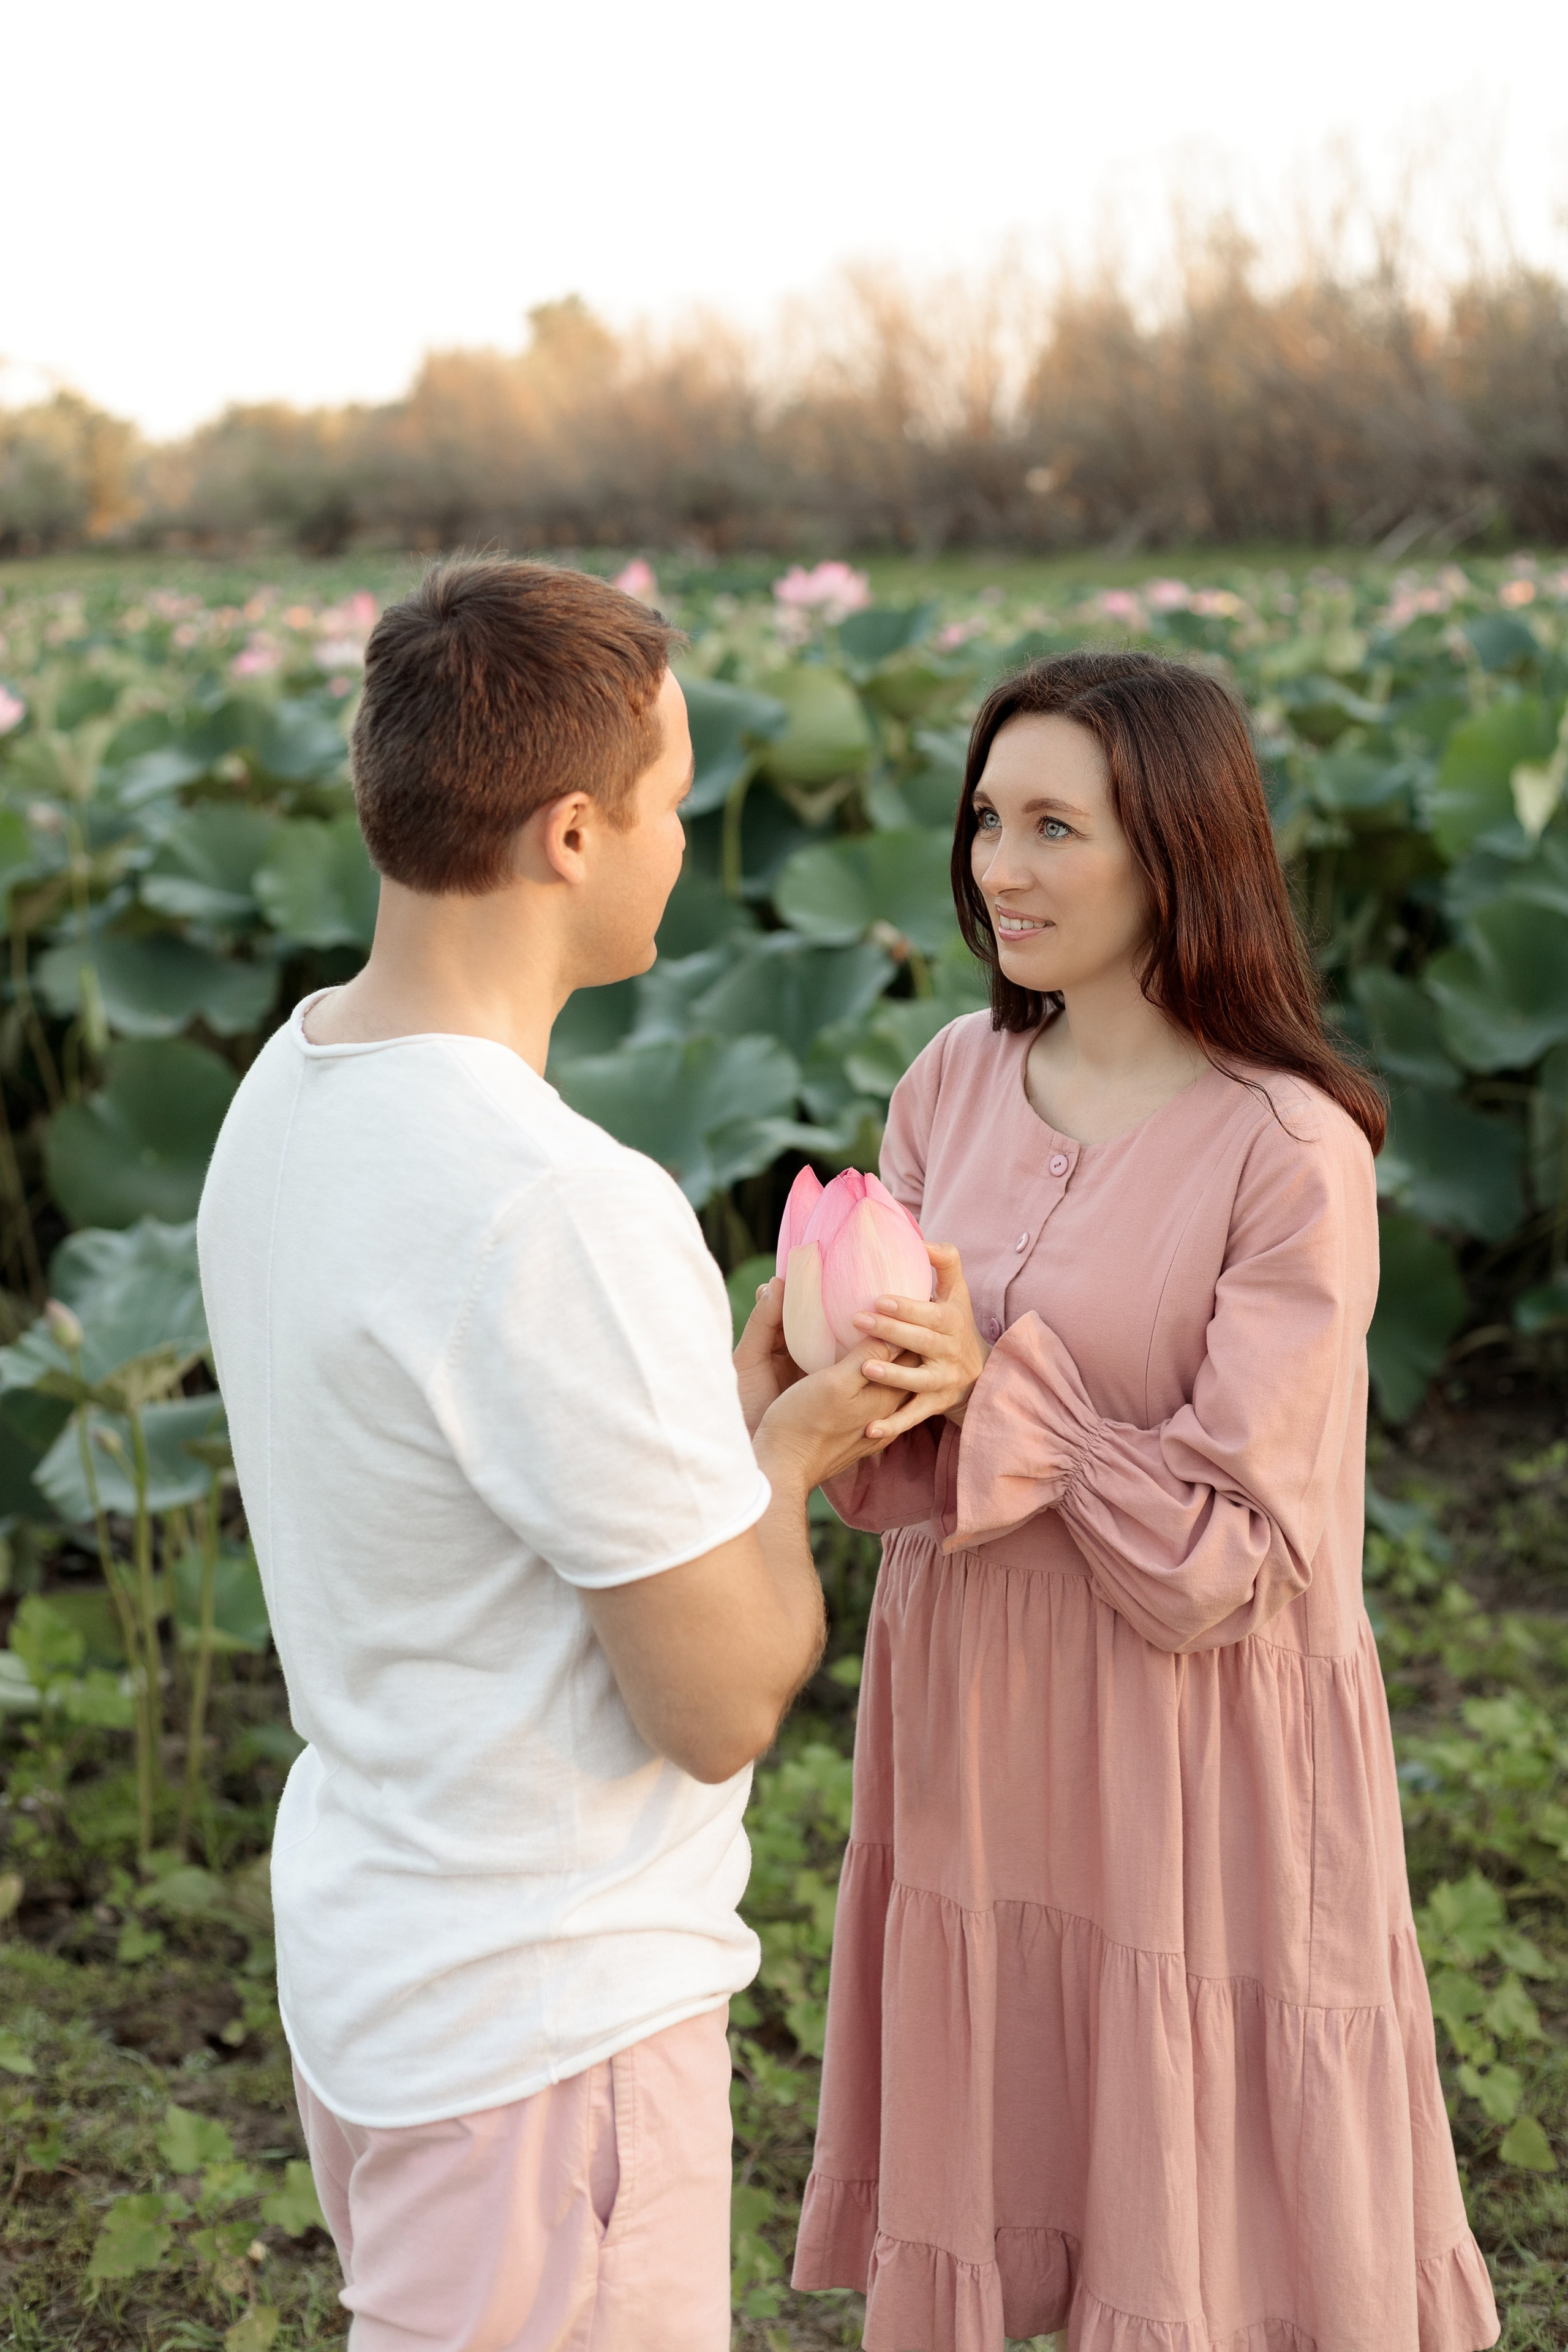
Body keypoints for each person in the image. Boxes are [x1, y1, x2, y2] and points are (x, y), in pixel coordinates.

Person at [197, 557, 897, 2352]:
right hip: (547, 2024)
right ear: (573, 835)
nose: (685, 840)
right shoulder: (556, 1202)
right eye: (672, 801)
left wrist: (712, 1434)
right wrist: (794, 1458)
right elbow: (720, 1700)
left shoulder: (286, 1091)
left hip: (380, 1966)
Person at [790, 650, 1500, 2352]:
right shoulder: (948, 1079)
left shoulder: (1289, 1148)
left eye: (1056, 827)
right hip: (973, 1700)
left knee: (1191, 2233)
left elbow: (1231, 1557)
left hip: (1192, 1748)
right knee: (1013, 2142)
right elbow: (903, 1455)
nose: (1000, 868)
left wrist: (994, 1387)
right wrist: (825, 1370)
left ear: (1177, 852)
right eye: (986, 821)